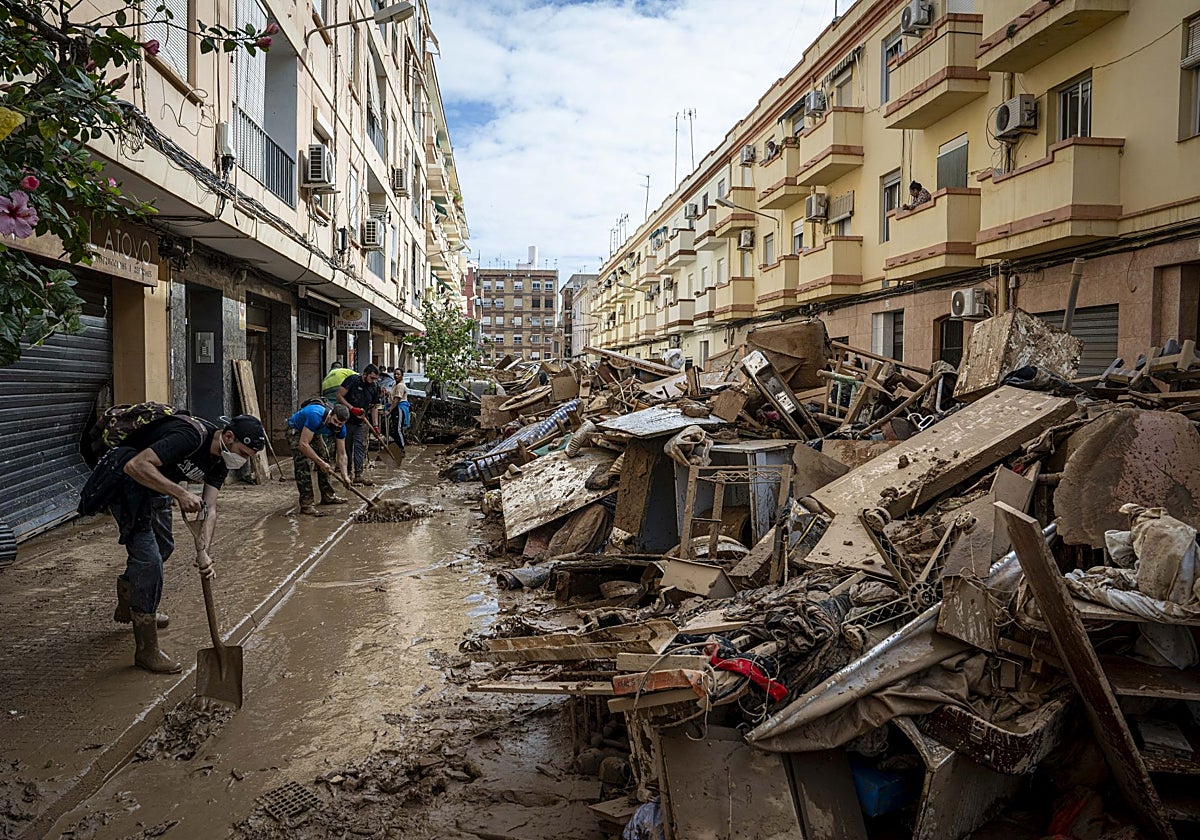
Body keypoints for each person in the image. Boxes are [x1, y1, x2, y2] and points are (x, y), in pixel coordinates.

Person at [114, 413, 265, 674]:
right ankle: (147, 650)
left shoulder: (220, 461)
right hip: (124, 483)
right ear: (228, 437)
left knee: (164, 548)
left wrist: (204, 550)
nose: (242, 459)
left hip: (156, 490)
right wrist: (181, 493)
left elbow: (210, 507)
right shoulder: (190, 436)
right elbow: (135, 466)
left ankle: (133, 600)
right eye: (242, 451)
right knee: (149, 561)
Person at [286, 401, 353, 516]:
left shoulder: (341, 428)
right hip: (296, 430)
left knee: (325, 458)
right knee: (303, 464)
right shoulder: (315, 415)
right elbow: (303, 445)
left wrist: (345, 476)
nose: (336, 426)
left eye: (340, 424)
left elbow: (342, 454)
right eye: (335, 421)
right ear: (331, 415)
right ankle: (307, 505)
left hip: (314, 431)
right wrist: (320, 462)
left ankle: (328, 496)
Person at [337, 363, 382, 485]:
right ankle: (347, 474)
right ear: (365, 374)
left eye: (375, 379)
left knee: (360, 447)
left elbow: (374, 407)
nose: (373, 381)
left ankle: (358, 475)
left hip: (362, 421)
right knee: (347, 447)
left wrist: (376, 425)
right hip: (347, 420)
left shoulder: (374, 387)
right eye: (371, 378)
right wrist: (352, 408)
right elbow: (339, 396)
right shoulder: (352, 380)